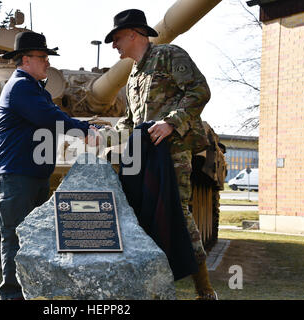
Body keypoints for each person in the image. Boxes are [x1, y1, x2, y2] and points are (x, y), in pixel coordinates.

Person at [101, 9, 217, 300]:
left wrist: (171, 122)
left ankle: (205, 291)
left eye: (116, 39)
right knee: (148, 217)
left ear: (133, 34)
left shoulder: (168, 55)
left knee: (178, 215)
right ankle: (153, 288)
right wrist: (102, 139)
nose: (114, 45)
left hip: (173, 153)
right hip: (145, 157)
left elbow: (199, 90)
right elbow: (130, 121)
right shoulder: (134, 75)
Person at [0, 31, 98, 300]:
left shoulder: (32, 88)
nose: (48, 63)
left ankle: (30, 292)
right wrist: (83, 129)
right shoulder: (21, 87)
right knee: (16, 237)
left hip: (31, 175)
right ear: (25, 59)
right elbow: (49, 116)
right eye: (43, 57)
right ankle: (13, 295)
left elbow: (51, 115)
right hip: (17, 176)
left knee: (33, 238)